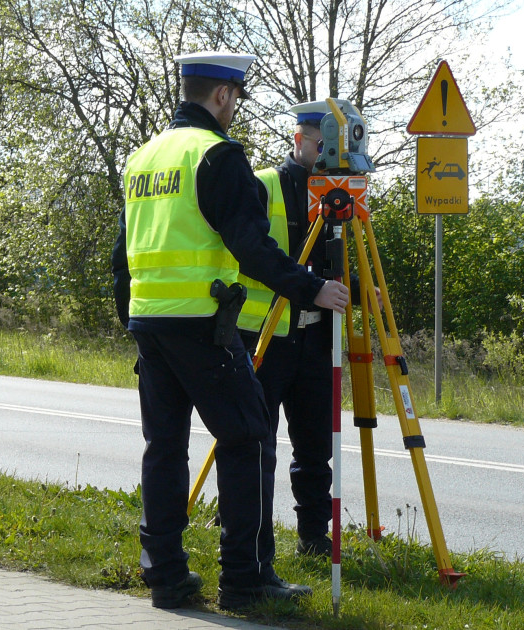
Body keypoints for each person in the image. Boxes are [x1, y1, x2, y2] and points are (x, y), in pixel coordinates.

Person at [110, 52, 349, 611]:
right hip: (203, 324)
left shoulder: (143, 158)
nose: (235, 108)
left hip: (151, 323)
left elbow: (122, 257)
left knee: (164, 448)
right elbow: (250, 247)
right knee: (248, 439)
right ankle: (245, 580)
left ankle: (164, 574)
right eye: (236, 98)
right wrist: (310, 288)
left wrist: (133, 320)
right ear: (222, 95)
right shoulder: (217, 154)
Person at [244, 99, 349, 559]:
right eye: (320, 145)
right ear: (298, 140)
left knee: (315, 445)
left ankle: (313, 536)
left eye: (334, 148)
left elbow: (337, 267)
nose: (326, 155)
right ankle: (247, 532)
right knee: (254, 442)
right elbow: (252, 256)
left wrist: (357, 290)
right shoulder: (264, 185)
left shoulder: (340, 194)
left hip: (317, 338)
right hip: (266, 335)